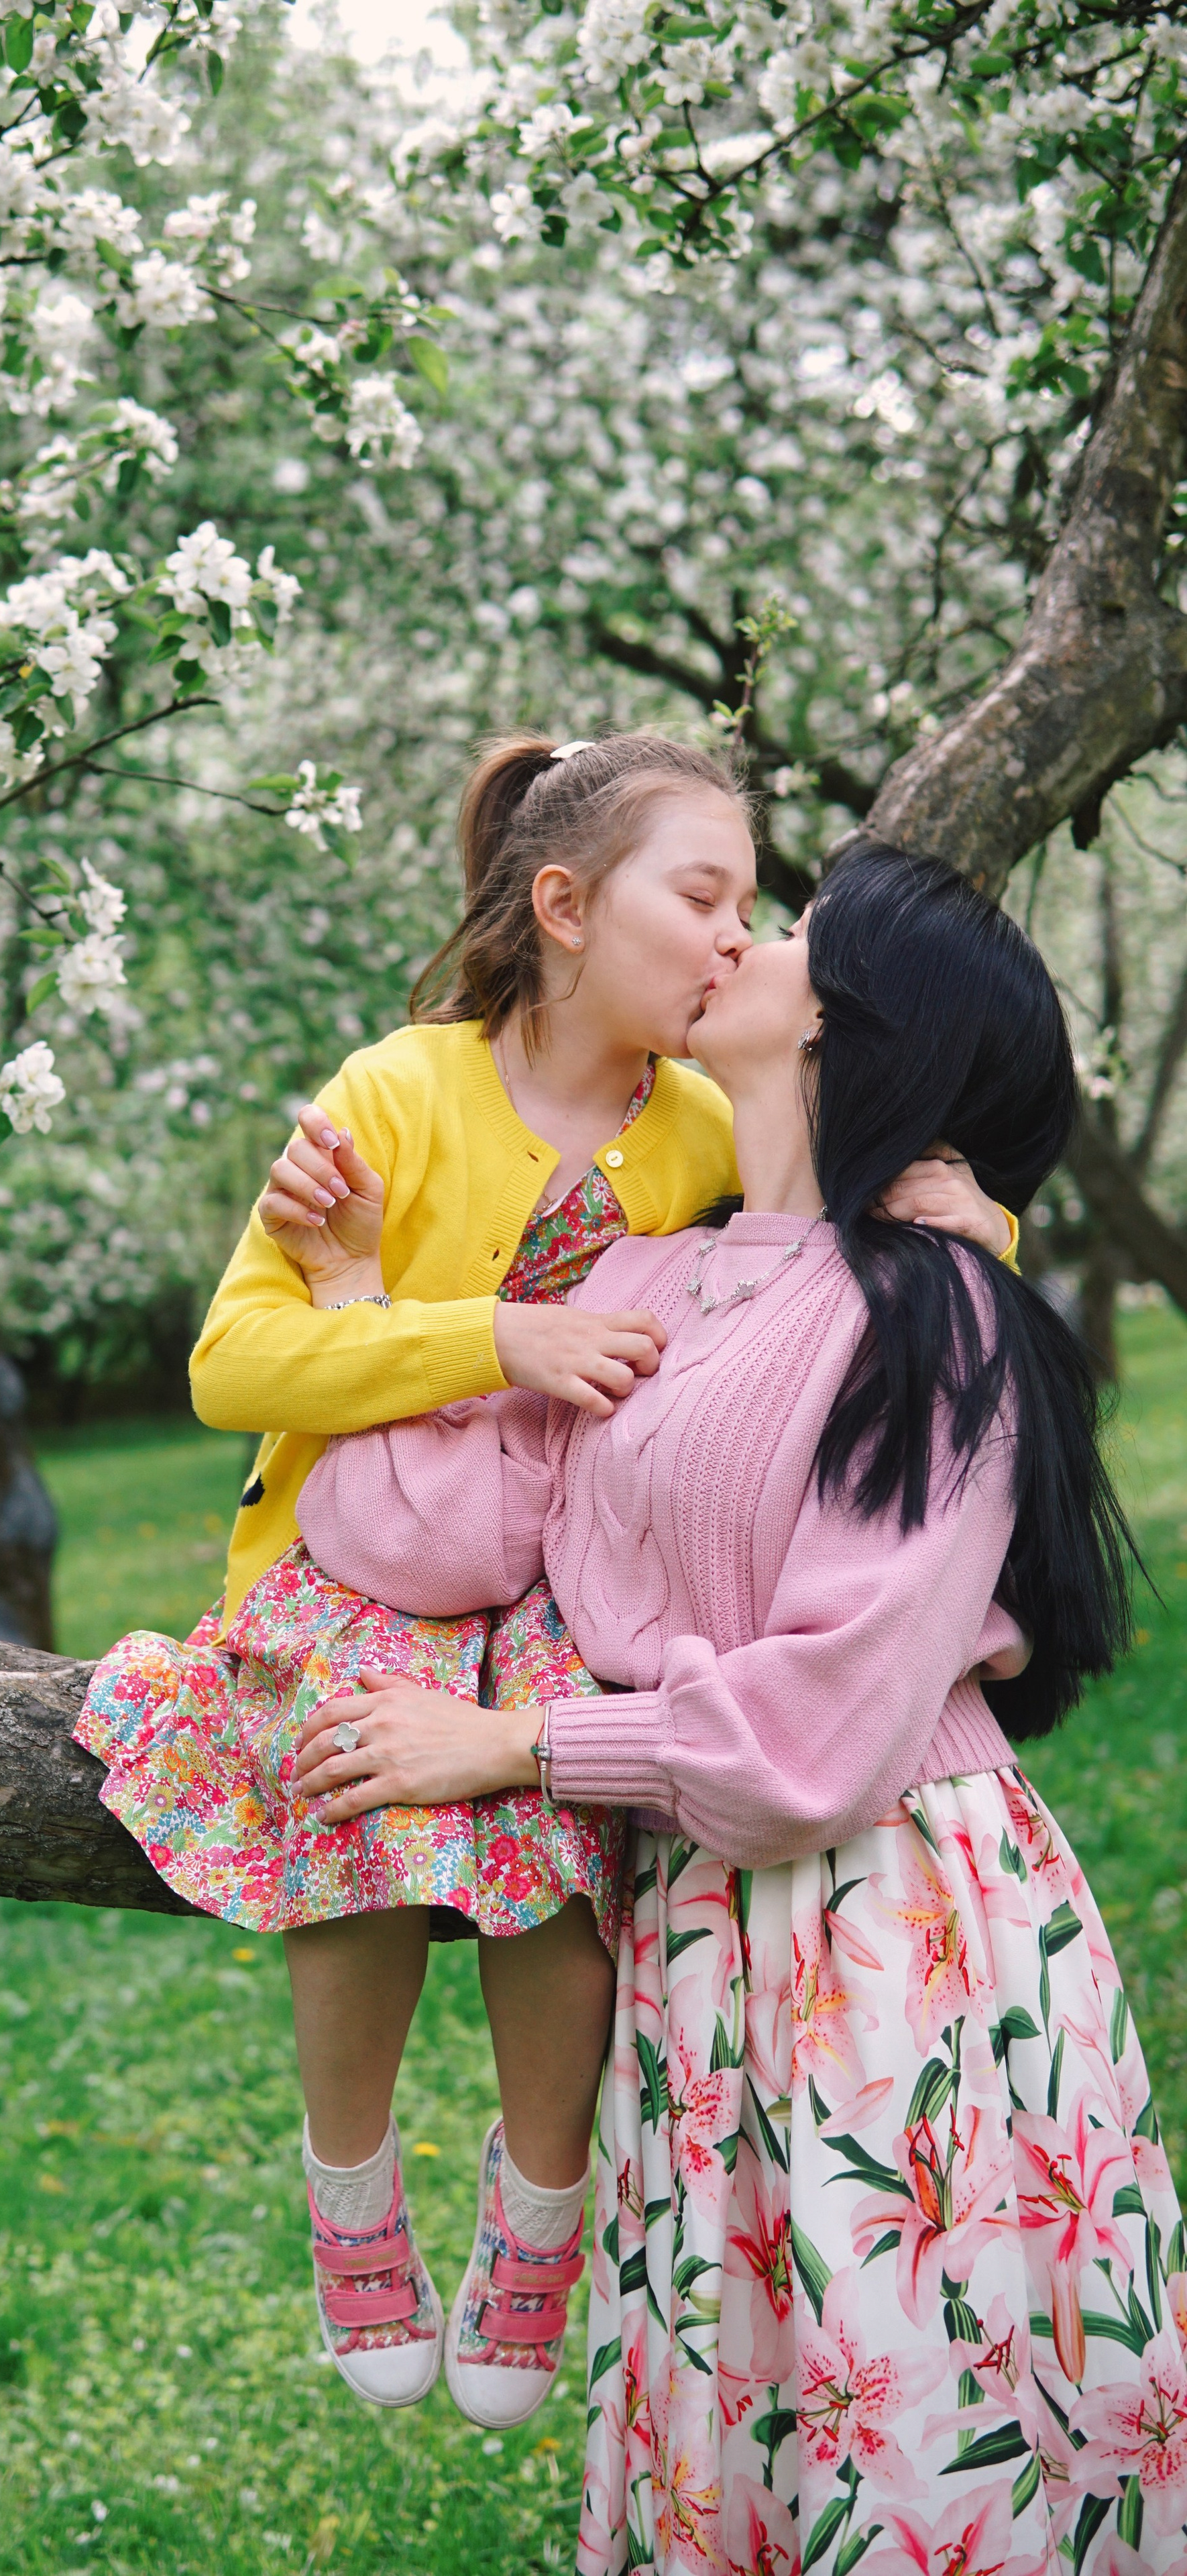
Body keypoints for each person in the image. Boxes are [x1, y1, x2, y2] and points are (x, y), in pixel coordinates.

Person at [76, 735, 1012, 2428]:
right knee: (354, 1813)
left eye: (751, 905)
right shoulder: (397, 1093)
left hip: (550, 1584)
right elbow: (232, 1365)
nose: (737, 939)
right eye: (704, 899)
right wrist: (476, 1331)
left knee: (559, 1875)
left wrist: (978, 1232)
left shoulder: (708, 1123)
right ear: (565, 906)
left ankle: (538, 2211)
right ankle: (348, 2198)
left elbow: (830, 1239)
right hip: (358, 1553)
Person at [290, 846, 1181, 2573]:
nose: (732, 944)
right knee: (746, 2421)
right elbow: (461, 1543)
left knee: (915, 2417)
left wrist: (526, 1747)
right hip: (698, 1939)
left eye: (782, 934)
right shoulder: (640, 1282)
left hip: (892, 1934)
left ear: (851, 1032)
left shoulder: (941, 1318)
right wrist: (353, 1314)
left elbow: (834, 1726)